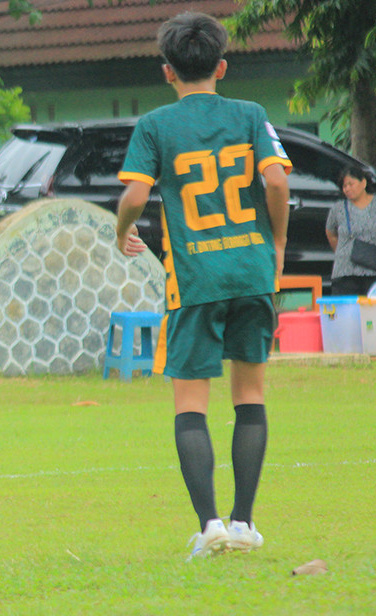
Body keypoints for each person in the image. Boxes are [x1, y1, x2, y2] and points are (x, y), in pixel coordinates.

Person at [115, 12, 291, 560]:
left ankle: (210, 526)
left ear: (167, 72)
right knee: (251, 396)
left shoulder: (156, 125)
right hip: (252, 273)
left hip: (195, 280)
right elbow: (278, 179)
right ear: (222, 66)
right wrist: (277, 246)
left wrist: (121, 231)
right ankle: (244, 523)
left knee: (191, 404)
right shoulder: (251, 114)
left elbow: (136, 196)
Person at [325, 165, 376, 295]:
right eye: (344, 186)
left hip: (374, 271)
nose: (347, 189)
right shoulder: (338, 208)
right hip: (345, 272)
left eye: (351, 184)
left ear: (363, 182)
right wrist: (343, 251)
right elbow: (330, 232)